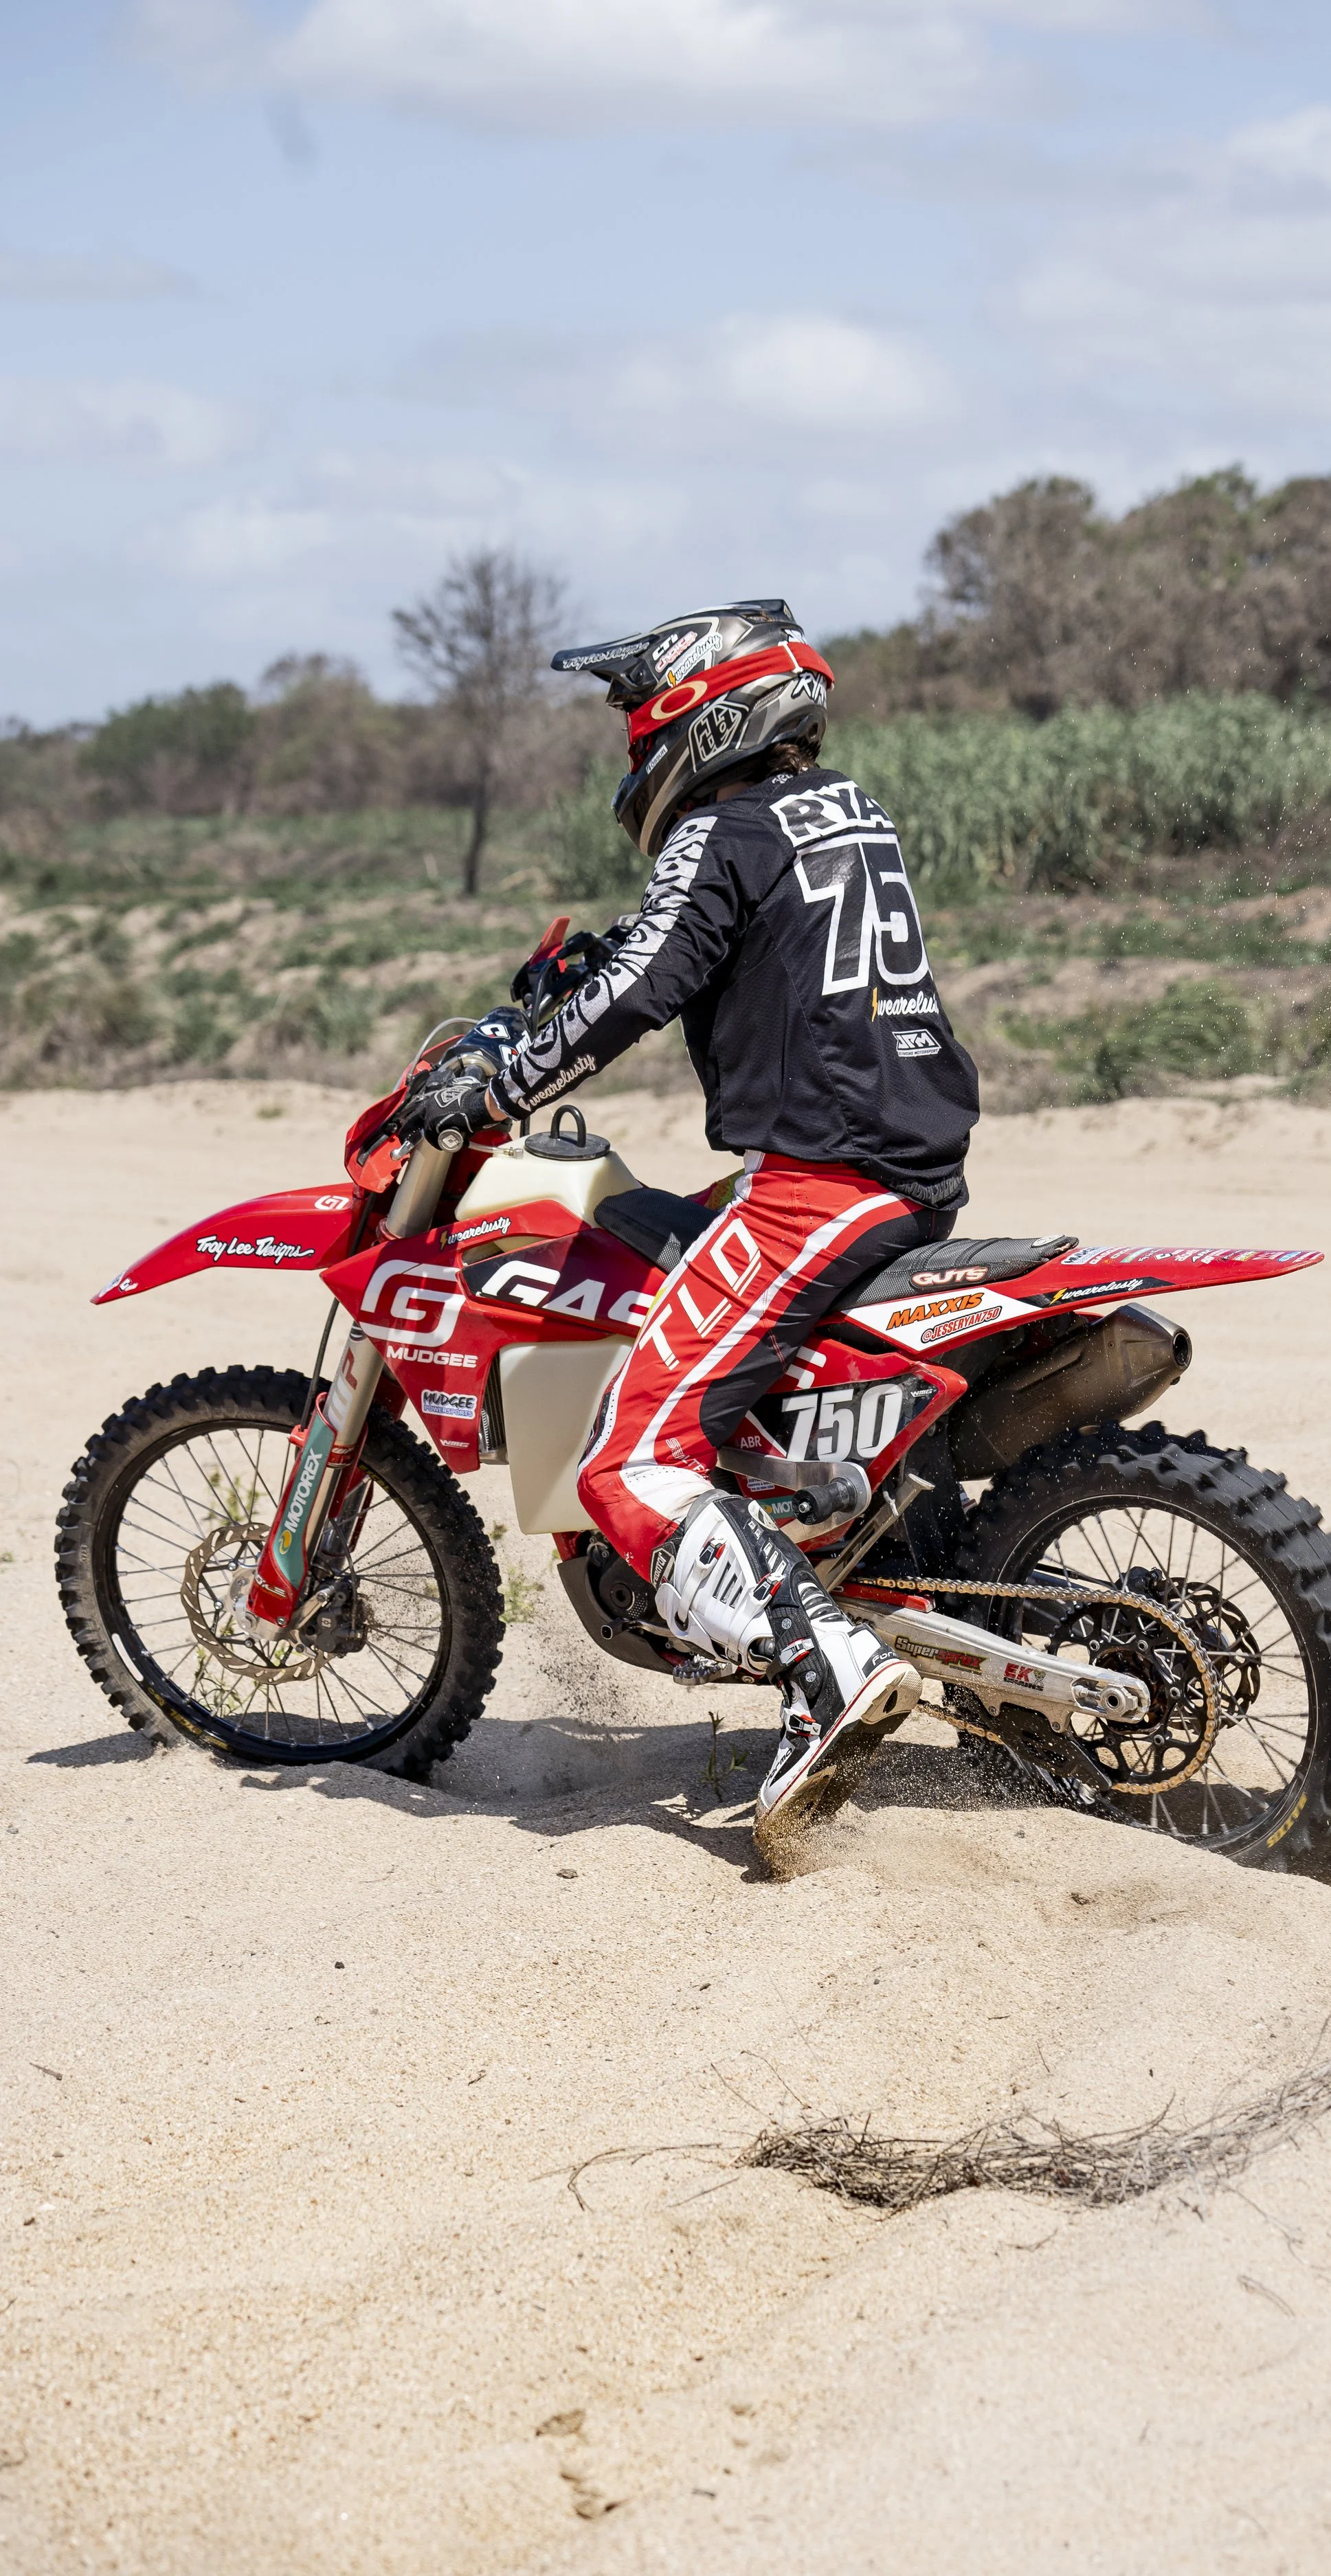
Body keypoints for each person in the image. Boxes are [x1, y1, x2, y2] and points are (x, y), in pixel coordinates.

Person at [401, 600, 981, 1862]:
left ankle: (824, 1664)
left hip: (820, 1182)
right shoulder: (845, 812)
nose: (632, 753)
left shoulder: (719, 826)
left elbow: (652, 981)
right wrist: (593, 970)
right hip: (909, 1163)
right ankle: (816, 1530)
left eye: (636, 725)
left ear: (698, 713)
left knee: (626, 1462)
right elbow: (725, 946)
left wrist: (496, 1084)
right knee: (663, 1253)